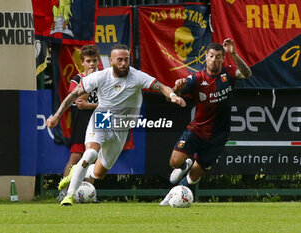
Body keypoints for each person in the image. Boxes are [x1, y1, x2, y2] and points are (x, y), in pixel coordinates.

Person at [47, 44, 186, 206]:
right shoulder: (100, 76)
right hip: (102, 117)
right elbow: (73, 94)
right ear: (111, 61)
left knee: (99, 173)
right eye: (119, 60)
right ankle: (69, 196)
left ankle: (75, 172)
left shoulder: (137, 76)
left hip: (122, 125)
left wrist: (173, 95)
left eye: (126, 59)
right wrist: (57, 115)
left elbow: (161, 86)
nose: (123, 63)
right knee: (90, 154)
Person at [160, 38, 252, 205]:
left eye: (218, 56)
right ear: (205, 57)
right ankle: (185, 163)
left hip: (219, 135)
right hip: (197, 130)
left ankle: (174, 196)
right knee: (174, 162)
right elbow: (172, 98)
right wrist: (176, 89)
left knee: (194, 177)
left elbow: (247, 74)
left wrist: (234, 54)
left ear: (223, 58)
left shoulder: (228, 73)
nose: (214, 59)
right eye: (211, 56)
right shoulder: (196, 79)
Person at [56, 44, 99, 203]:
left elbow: (108, 103)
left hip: (98, 122)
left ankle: (89, 194)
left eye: (94, 60)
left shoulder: (103, 78)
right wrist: (89, 81)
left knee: (93, 160)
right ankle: (64, 192)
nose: (92, 64)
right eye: (88, 61)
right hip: (82, 122)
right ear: (82, 62)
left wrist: (91, 106)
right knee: (76, 156)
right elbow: (80, 100)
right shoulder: (77, 80)